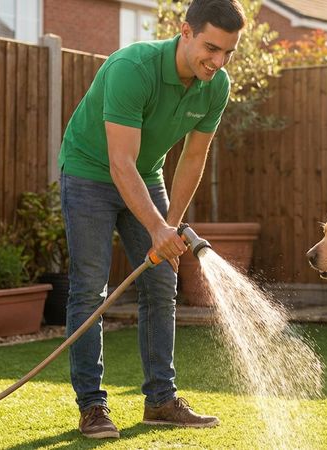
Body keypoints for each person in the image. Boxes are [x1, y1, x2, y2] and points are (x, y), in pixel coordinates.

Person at [57, 0, 245, 440]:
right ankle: (92, 406)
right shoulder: (132, 68)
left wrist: (170, 228)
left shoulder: (215, 86)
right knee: (89, 289)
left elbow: (193, 159)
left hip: (146, 175)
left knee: (162, 284)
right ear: (185, 31)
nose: (217, 63)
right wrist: (156, 228)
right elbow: (119, 161)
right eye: (211, 48)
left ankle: (160, 399)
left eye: (228, 54)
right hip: (89, 173)